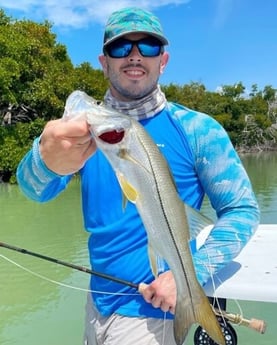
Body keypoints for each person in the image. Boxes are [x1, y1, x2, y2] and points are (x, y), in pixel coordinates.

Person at [16, 6, 260, 345]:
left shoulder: (199, 130)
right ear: (104, 62)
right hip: (96, 305)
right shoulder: (80, 131)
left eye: (147, 47)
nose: (134, 56)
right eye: (121, 48)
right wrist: (44, 159)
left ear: (163, 60)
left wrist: (191, 275)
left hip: (152, 315)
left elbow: (243, 211)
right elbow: (32, 190)